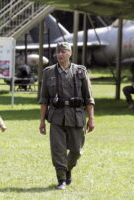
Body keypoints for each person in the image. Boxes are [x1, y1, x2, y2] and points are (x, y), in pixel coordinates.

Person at [39, 42, 95, 190]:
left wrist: (91, 119)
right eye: (58, 52)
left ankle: (67, 169)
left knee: (76, 151)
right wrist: (42, 122)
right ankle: (61, 178)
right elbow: (44, 99)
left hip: (76, 116)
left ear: (70, 53)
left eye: (63, 51)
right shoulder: (48, 72)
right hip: (56, 116)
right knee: (58, 149)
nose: (60, 54)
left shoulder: (80, 72)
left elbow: (89, 98)